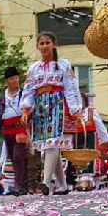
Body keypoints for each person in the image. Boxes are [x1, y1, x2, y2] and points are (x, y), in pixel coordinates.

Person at [20, 32, 83, 196]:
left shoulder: (63, 65)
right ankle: (62, 186)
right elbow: (28, 90)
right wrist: (26, 109)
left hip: (58, 104)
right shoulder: (33, 68)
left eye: (48, 42)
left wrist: (75, 109)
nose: (45, 46)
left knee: (53, 143)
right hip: (41, 106)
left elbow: (71, 87)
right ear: (37, 47)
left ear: (54, 44)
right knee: (49, 144)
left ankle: (46, 182)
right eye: (42, 43)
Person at [0, 67, 28, 195]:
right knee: (13, 158)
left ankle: (19, 184)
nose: (15, 80)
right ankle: (21, 185)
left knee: (18, 155)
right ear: (6, 82)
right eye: (11, 78)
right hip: (7, 131)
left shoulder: (23, 95)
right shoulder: (2, 98)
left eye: (16, 78)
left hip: (20, 129)